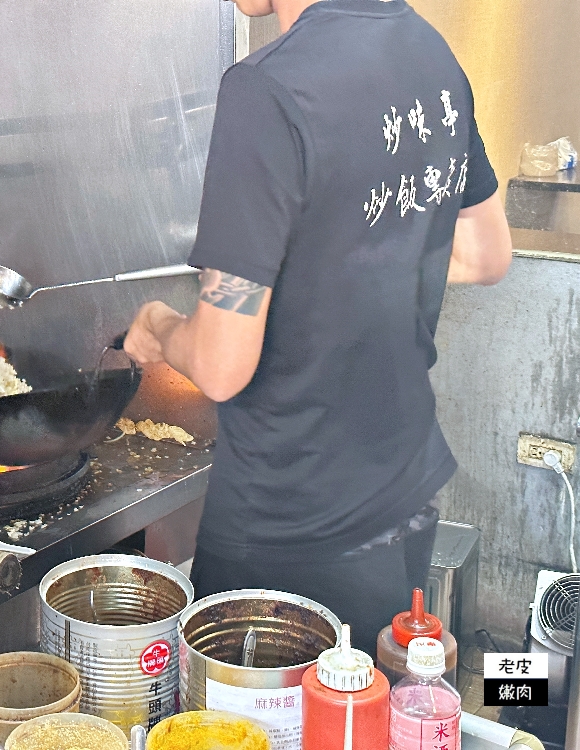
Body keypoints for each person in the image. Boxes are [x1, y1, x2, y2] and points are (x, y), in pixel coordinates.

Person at [123, 0, 512, 654]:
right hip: (402, 498)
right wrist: (340, 268)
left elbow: (222, 365)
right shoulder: (430, 54)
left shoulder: (266, 89)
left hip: (287, 529)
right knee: (365, 713)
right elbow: (483, 252)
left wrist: (160, 327)